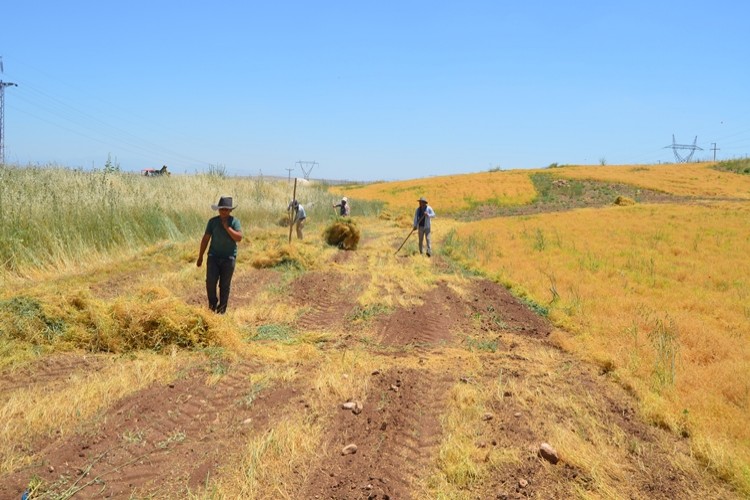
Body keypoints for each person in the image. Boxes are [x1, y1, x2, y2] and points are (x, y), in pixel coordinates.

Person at [196, 196, 243, 313]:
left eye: (226, 209)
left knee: (224, 285)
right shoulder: (212, 222)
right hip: (213, 257)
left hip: (229, 258)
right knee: (210, 282)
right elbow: (205, 239)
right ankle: (212, 306)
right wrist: (200, 256)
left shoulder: (235, 222)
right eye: (222, 209)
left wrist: (227, 227)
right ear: (218, 209)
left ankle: (221, 310)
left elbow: (239, 238)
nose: (224, 211)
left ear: (230, 211)